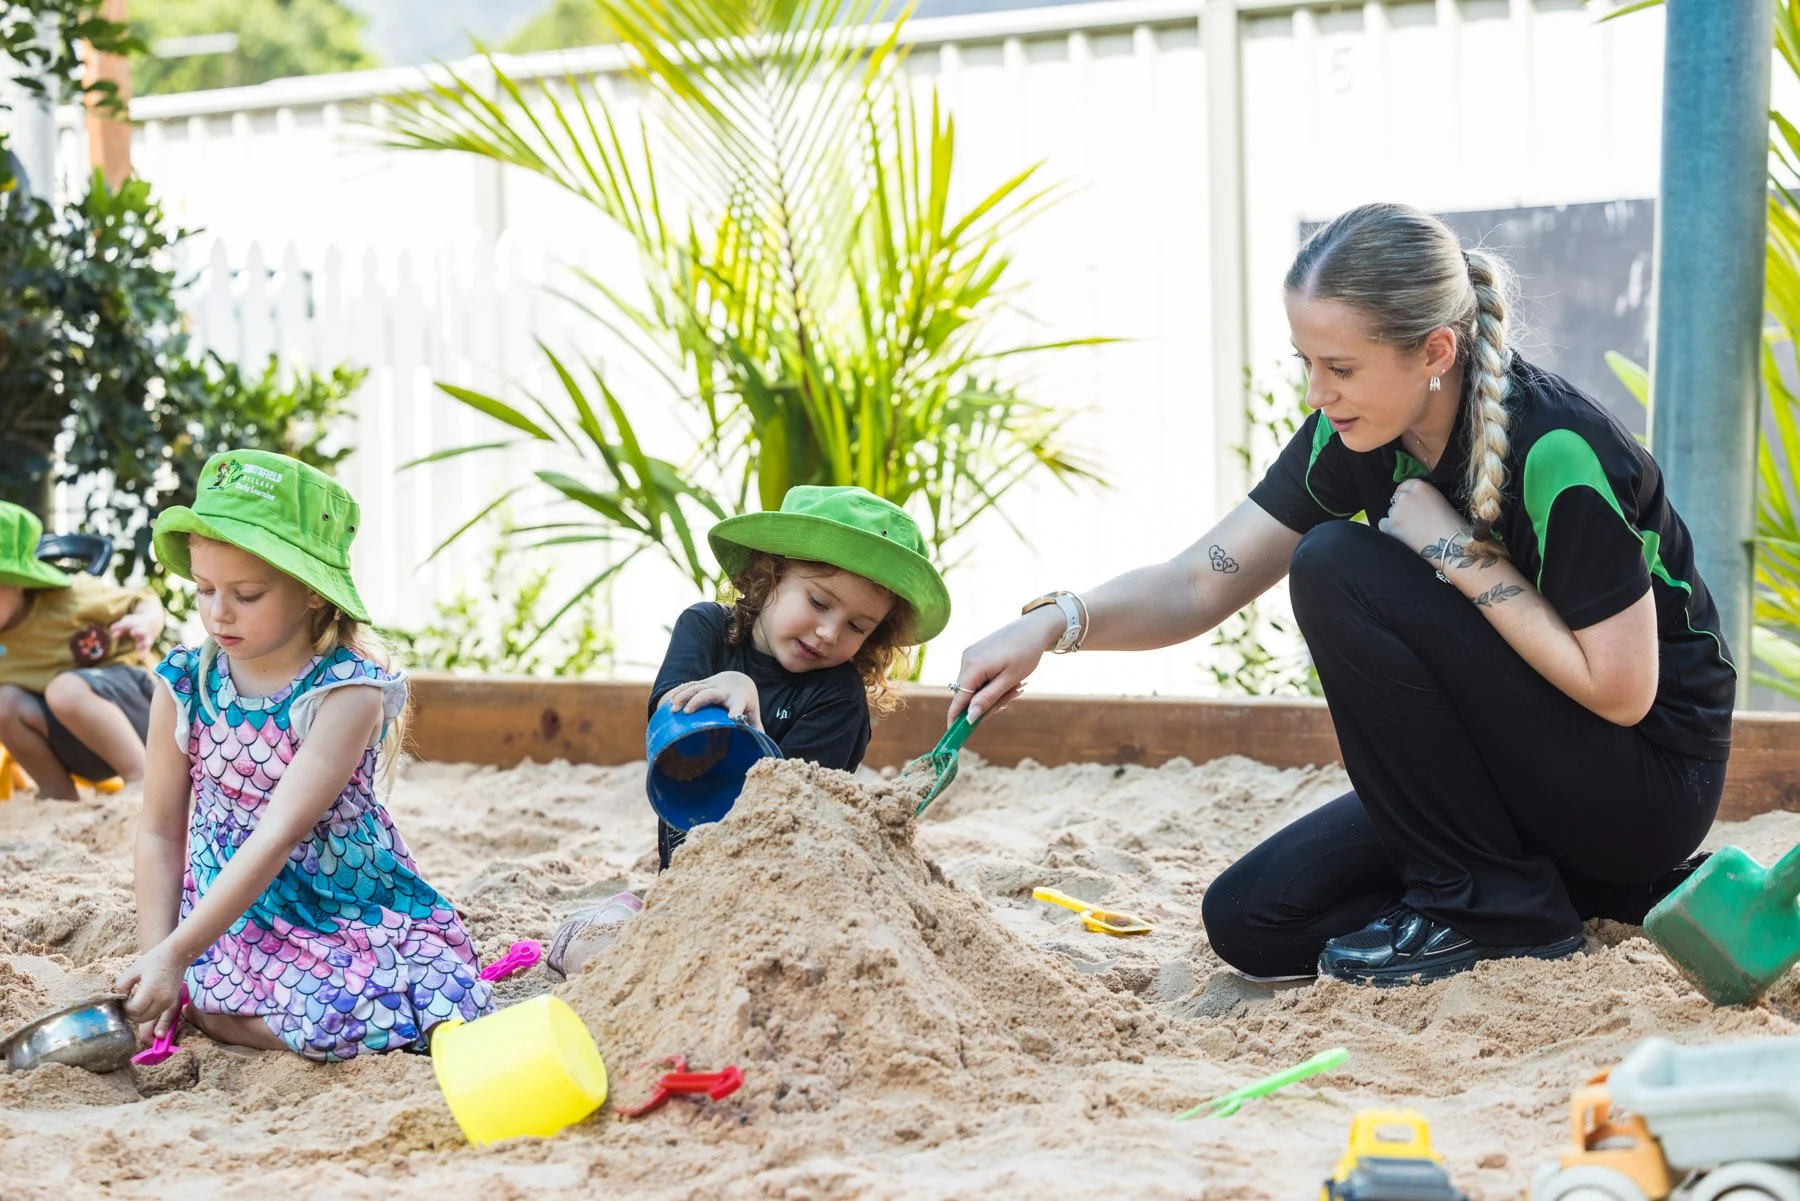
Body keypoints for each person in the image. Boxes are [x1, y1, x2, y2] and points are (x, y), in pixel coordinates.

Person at [948, 202, 1733, 987]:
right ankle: (1580, 893)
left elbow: (1621, 692)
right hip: (1517, 768)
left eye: (1342, 367)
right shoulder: (1355, 431)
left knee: (1333, 564)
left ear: (1435, 349)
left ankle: (1498, 909)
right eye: (1307, 364)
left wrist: (1454, 551)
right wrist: (1055, 623)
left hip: (1643, 785)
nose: (1319, 393)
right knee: (1253, 919)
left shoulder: (1558, 447)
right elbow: (1197, 583)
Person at [116, 450, 492, 1058]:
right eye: (204, 589)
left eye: (248, 593)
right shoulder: (185, 684)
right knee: (226, 996)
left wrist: (177, 955)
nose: (219, 612)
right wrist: (162, 955)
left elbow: (278, 834)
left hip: (343, 908)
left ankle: (228, 1016)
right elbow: (159, 831)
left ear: (313, 594)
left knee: (400, 1000)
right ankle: (214, 1009)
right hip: (227, 914)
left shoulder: (346, 691)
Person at [546, 485, 951, 977]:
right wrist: (732, 687)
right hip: (688, 875)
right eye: (819, 601)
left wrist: (754, 728)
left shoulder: (839, 696)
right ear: (770, 573)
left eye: (857, 627)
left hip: (780, 890)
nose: (829, 632)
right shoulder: (705, 628)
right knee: (608, 944)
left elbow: (787, 816)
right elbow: (668, 725)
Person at [0, 501, 164, 799]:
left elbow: (143, 598)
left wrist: (145, 622)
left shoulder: (70, 598)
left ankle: (142, 780)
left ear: (18, 583)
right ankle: (57, 792)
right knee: (4, 703)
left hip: (144, 713)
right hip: (81, 743)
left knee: (65, 688)